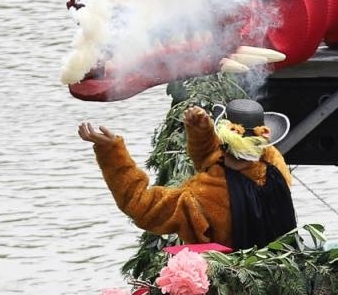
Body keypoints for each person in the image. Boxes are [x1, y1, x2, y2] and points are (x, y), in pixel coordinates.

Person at [77, 99, 295, 249]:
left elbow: (140, 204)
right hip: (277, 285)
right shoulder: (276, 170)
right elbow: (224, 162)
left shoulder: (201, 198)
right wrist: (203, 132)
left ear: (224, 139)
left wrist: (112, 153)